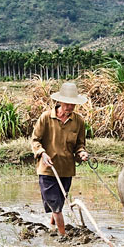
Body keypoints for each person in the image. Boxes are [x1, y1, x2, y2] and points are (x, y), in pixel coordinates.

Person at [31, 81, 89, 237]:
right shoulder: (45, 118)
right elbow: (35, 140)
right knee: (56, 206)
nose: (70, 107)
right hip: (47, 169)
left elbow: (79, 145)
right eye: (67, 103)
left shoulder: (78, 121)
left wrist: (82, 153)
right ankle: (63, 237)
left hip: (66, 169)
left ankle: (52, 226)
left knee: (59, 202)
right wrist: (42, 153)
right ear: (60, 101)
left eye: (73, 104)